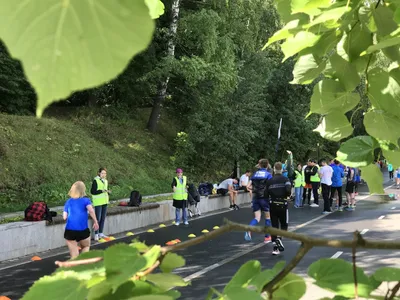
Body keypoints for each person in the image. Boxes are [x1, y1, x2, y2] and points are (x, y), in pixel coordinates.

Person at [63, 181, 99, 258]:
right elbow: (91, 210)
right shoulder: (86, 200)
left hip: (70, 230)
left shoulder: (68, 202)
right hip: (83, 230)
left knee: (74, 254)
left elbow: (64, 217)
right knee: (86, 246)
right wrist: (95, 221)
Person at [265, 162, 292, 255]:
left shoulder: (269, 181)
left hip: (272, 205)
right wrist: (287, 195)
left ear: (274, 169)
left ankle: (275, 248)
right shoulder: (286, 179)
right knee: (284, 225)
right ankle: (279, 239)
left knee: (274, 225)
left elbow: (265, 194)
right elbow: (288, 190)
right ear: (281, 170)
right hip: (283, 204)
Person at [245, 159, 273, 243]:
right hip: (264, 198)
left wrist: (254, 189)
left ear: (259, 165)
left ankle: (249, 228)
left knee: (257, 217)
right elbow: (271, 186)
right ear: (267, 165)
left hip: (255, 198)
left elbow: (247, 186)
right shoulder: (268, 174)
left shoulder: (254, 174)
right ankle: (267, 237)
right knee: (268, 217)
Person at [91, 167, 111, 241]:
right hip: (98, 202)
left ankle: (101, 232)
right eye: (102, 173)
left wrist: (108, 192)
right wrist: (101, 191)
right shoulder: (95, 181)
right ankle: (96, 234)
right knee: (97, 218)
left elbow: (105, 190)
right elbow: (93, 191)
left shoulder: (105, 181)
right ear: (99, 173)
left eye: (105, 173)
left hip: (105, 201)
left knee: (103, 218)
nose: (104, 174)